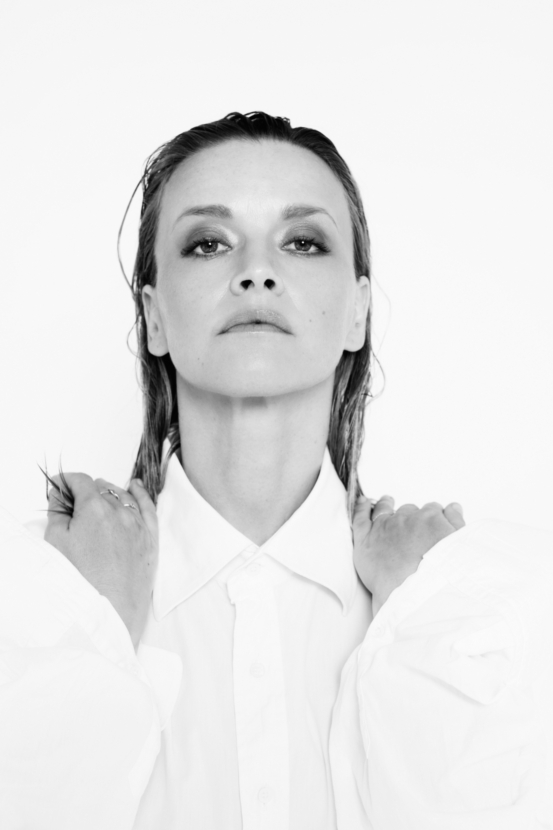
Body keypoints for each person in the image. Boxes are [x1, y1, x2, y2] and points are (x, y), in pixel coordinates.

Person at [0, 111, 551, 830]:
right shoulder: (33, 602)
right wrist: (79, 634)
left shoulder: (488, 613)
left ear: (357, 313)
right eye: (207, 243)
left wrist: (440, 622)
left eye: (302, 242)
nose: (255, 273)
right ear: (153, 317)